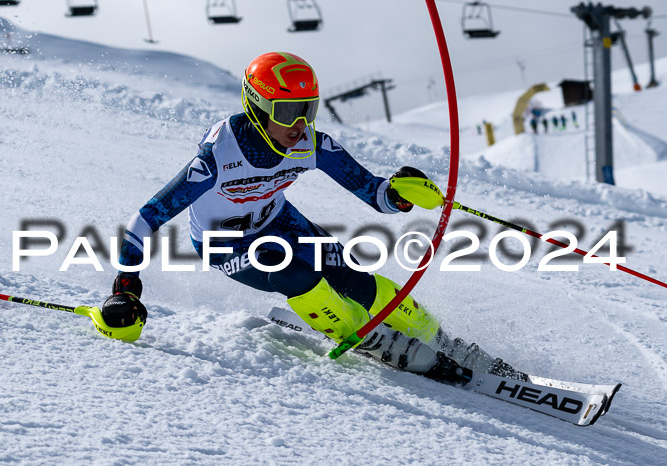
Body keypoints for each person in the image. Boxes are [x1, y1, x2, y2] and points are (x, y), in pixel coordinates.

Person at [100, 51, 525, 382]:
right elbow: (146, 218)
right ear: (256, 107)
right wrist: (126, 287)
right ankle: (368, 336)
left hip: (281, 222)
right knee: (292, 272)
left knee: (355, 281)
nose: (299, 123)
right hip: (224, 244)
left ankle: (437, 337)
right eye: (286, 112)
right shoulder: (217, 157)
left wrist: (400, 194)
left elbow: (374, 193)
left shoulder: (313, 143)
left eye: (308, 108)